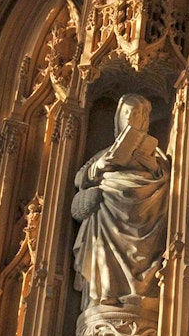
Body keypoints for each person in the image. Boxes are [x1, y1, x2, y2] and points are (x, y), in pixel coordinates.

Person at [72, 94, 168, 316]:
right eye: (128, 113)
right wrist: (100, 166)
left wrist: (153, 167)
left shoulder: (156, 152)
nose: (133, 118)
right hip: (108, 212)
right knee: (100, 238)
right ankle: (104, 292)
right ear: (118, 118)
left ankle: (138, 292)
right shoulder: (105, 153)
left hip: (145, 212)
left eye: (138, 114)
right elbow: (80, 179)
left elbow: (165, 179)